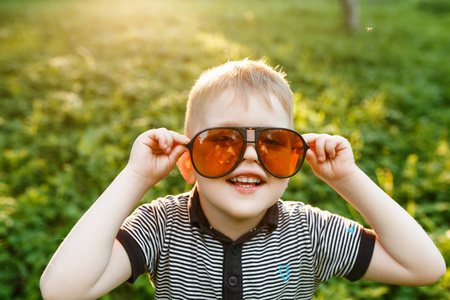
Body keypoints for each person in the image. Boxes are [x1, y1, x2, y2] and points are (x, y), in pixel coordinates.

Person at [40, 59, 446, 299]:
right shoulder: (160, 228)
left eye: (273, 142)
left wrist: (349, 179)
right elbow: (61, 291)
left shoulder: (310, 232)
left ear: (295, 158)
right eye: (222, 141)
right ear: (187, 163)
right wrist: (135, 177)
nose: (250, 155)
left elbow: (424, 268)